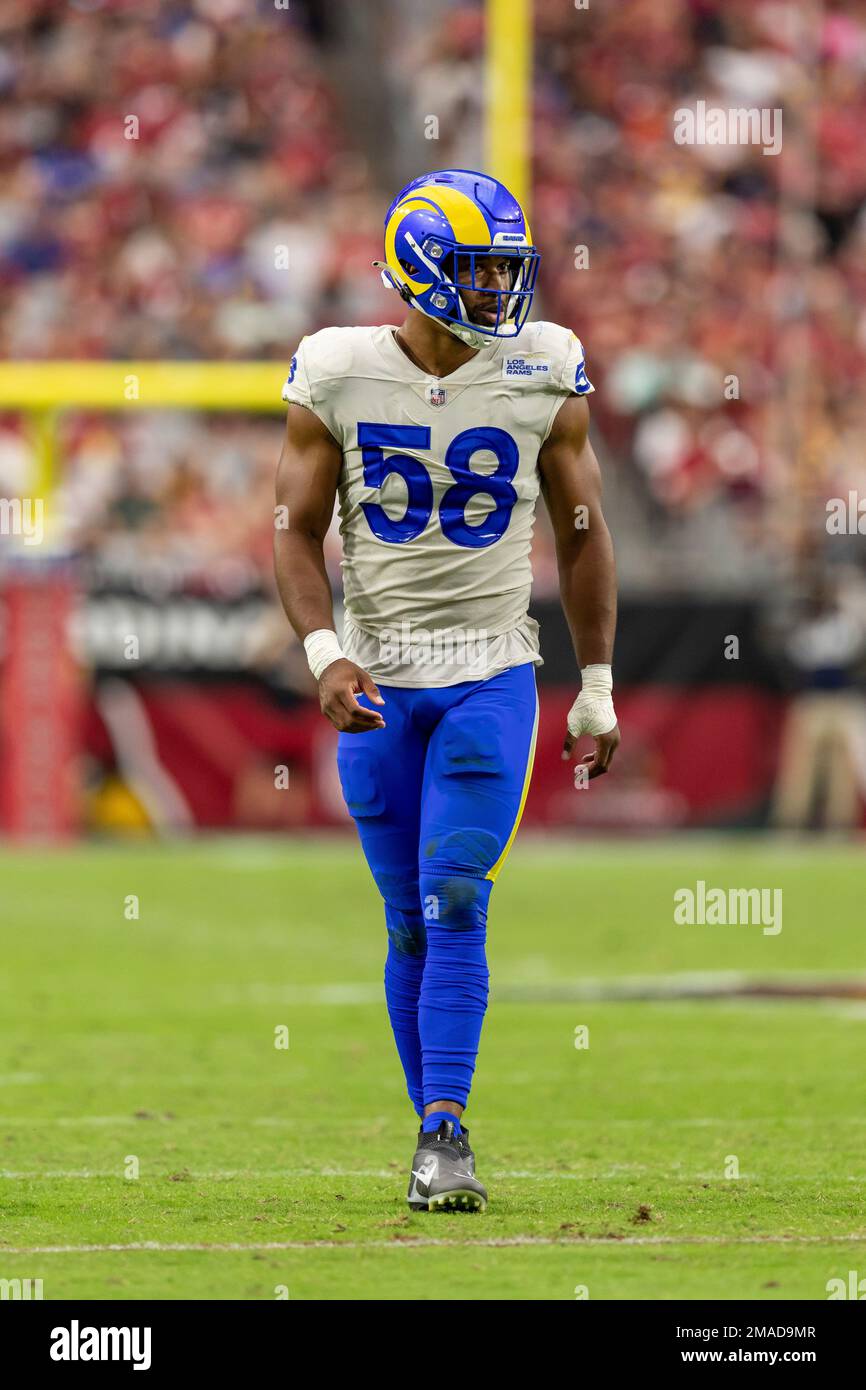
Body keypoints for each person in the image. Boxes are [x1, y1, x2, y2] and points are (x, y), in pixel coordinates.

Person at [274, 169, 620, 1211]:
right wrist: (323, 652)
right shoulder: (336, 369)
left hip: (487, 667)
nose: (494, 290)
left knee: (455, 894)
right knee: (406, 921)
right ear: (420, 265)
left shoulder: (541, 366)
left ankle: (444, 1134)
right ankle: (429, 1123)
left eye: (504, 270)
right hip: (377, 672)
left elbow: (580, 533)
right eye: (476, 269)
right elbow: (291, 531)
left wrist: (594, 681)